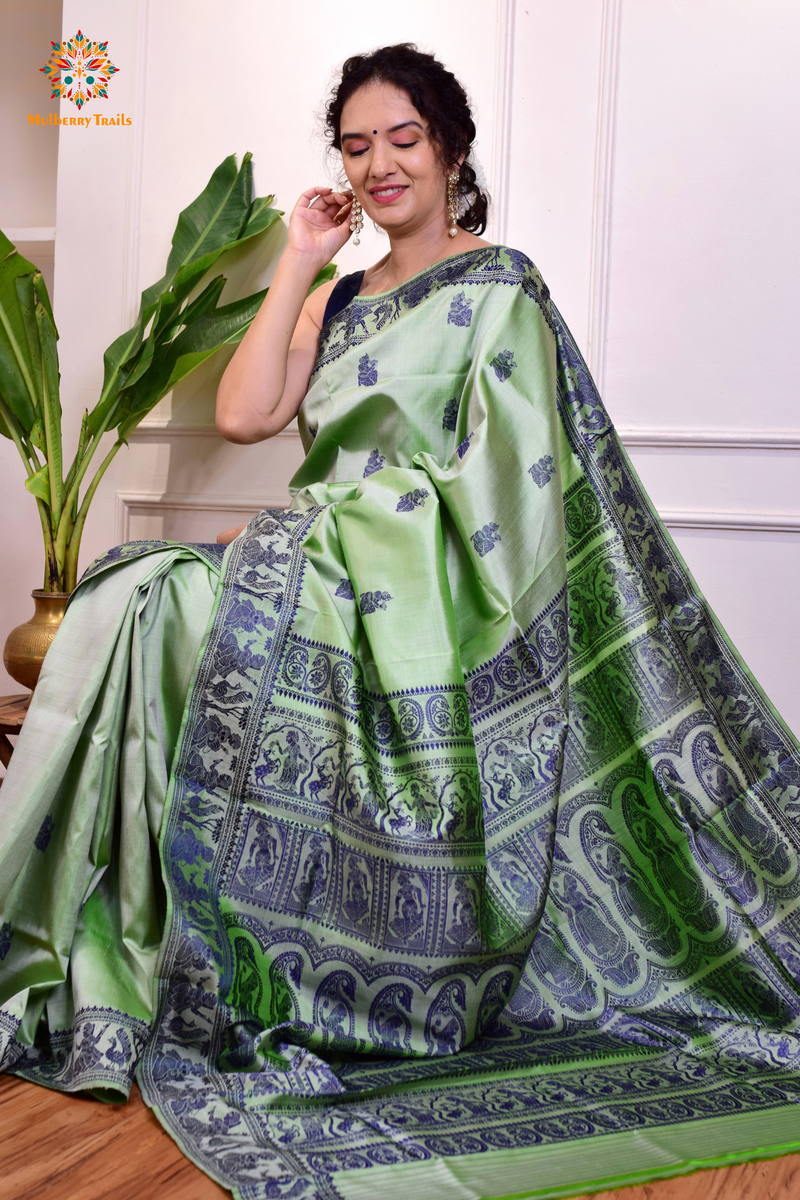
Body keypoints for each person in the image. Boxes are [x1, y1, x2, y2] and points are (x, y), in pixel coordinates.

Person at [3, 41, 800, 1200]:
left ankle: (259, 962)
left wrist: (309, 539)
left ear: (451, 150)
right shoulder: (335, 297)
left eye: (402, 140)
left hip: (423, 590)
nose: (378, 165)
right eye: (356, 144)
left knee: (168, 591)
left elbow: (501, 491)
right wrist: (298, 260)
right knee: (138, 592)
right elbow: (241, 418)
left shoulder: (500, 286)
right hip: (320, 558)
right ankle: (146, 948)